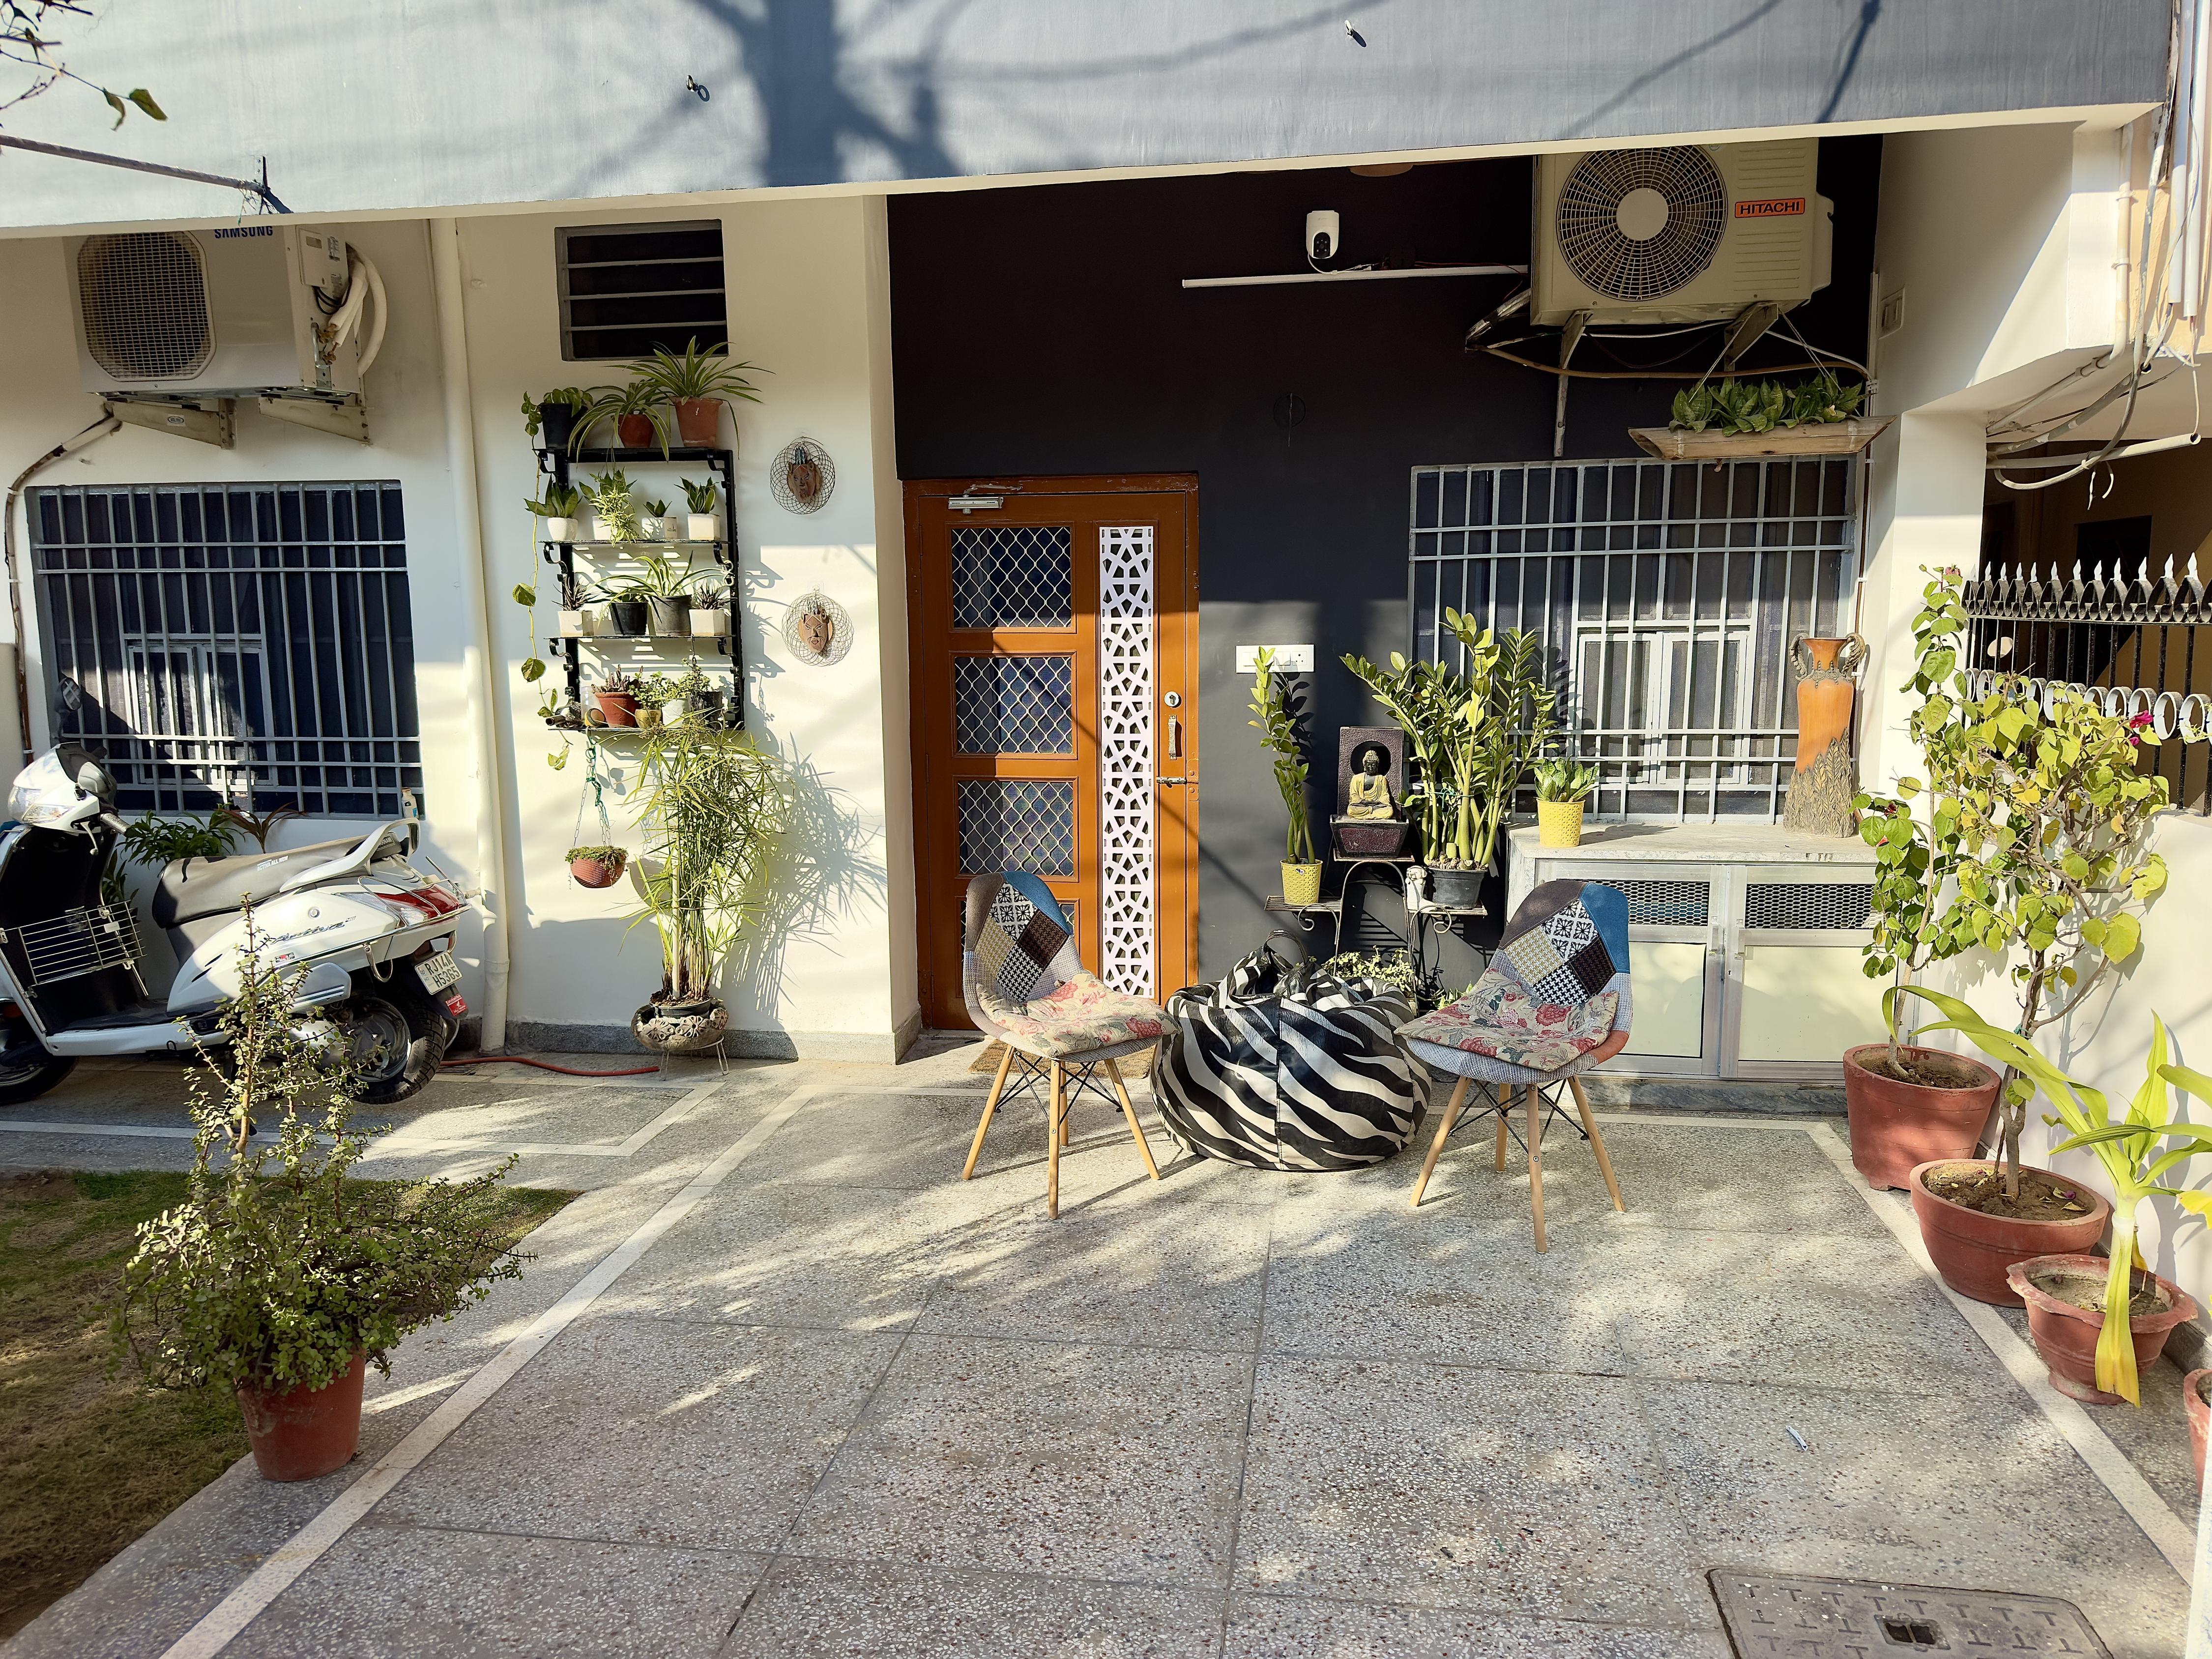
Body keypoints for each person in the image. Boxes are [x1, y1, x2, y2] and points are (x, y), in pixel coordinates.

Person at [1344, 746, 1396, 819]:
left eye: (1373, 765)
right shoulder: (1357, 778)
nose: (1371, 767)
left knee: (1389, 811)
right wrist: (1362, 801)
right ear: (1364, 765)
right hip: (1362, 805)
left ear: (1377, 766)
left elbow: (1385, 796)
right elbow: (1354, 795)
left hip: (1377, 806)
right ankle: (1371, 814)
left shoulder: (1381, 779)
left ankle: (1369, 814)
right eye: (1368, 765)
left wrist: (1377, 802)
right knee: (1351, 810)